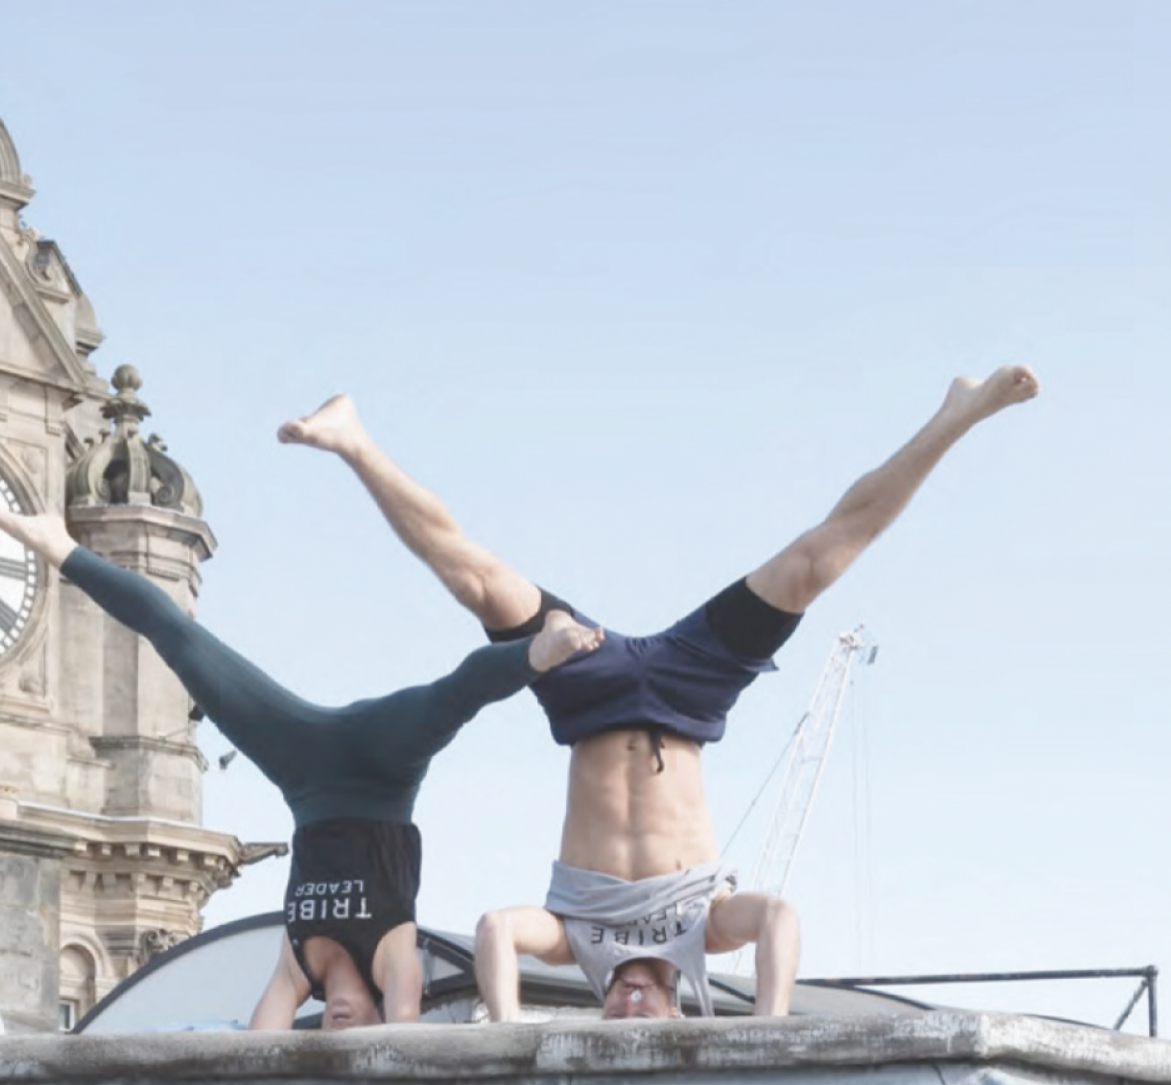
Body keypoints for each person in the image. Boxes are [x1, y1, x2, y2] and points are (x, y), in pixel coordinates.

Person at [278, 364, 1040, 1020]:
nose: (630, 1008)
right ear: (681, 1008)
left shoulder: (574, 942)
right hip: (690, 691)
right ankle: (957, 415)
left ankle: (353, 440)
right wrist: (769, 1032)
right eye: (648, 1018)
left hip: (581, 687)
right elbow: (778, 918)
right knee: (817, 559)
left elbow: (497, 932)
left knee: (474, 578)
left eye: (614, 1015)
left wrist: (510, 1035)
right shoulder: (704, 936)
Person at [0, 507, 602, 1030]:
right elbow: (405, 1042)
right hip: (385, 770)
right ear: (379, 1016)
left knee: (181, 644)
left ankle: (59, 545)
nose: (339, 1027)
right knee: (454, 696)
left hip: (304, 771)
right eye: (357, 1033)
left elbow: (259, 1053)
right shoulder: (396, 965)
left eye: (326, 1035)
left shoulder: (298, 967)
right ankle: (540, 647)